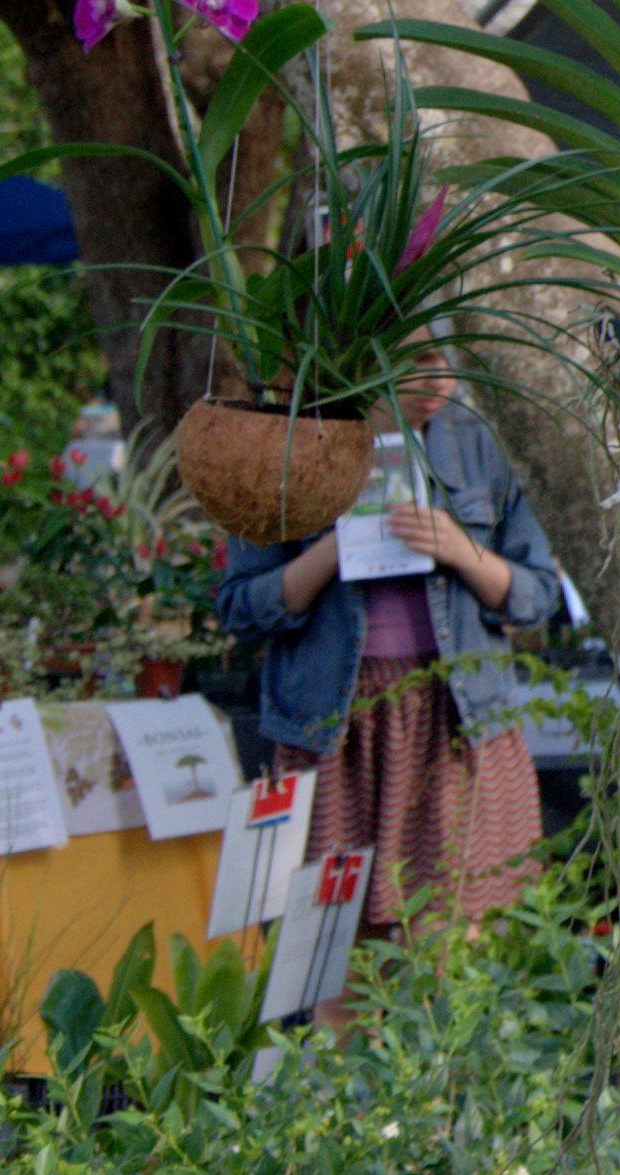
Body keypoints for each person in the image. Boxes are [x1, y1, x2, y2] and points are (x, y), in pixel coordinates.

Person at [215, 348, 565, 941]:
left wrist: (460, 549)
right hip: (333, 730)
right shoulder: (288, 448)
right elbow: (240, 609)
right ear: (366, 359)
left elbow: (537, 598)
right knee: (335, 955)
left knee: (452, 948)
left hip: (457, 722)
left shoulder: (480, 445)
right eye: (417, 360)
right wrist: (332, 548)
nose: (438, 381)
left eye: (446, 360)